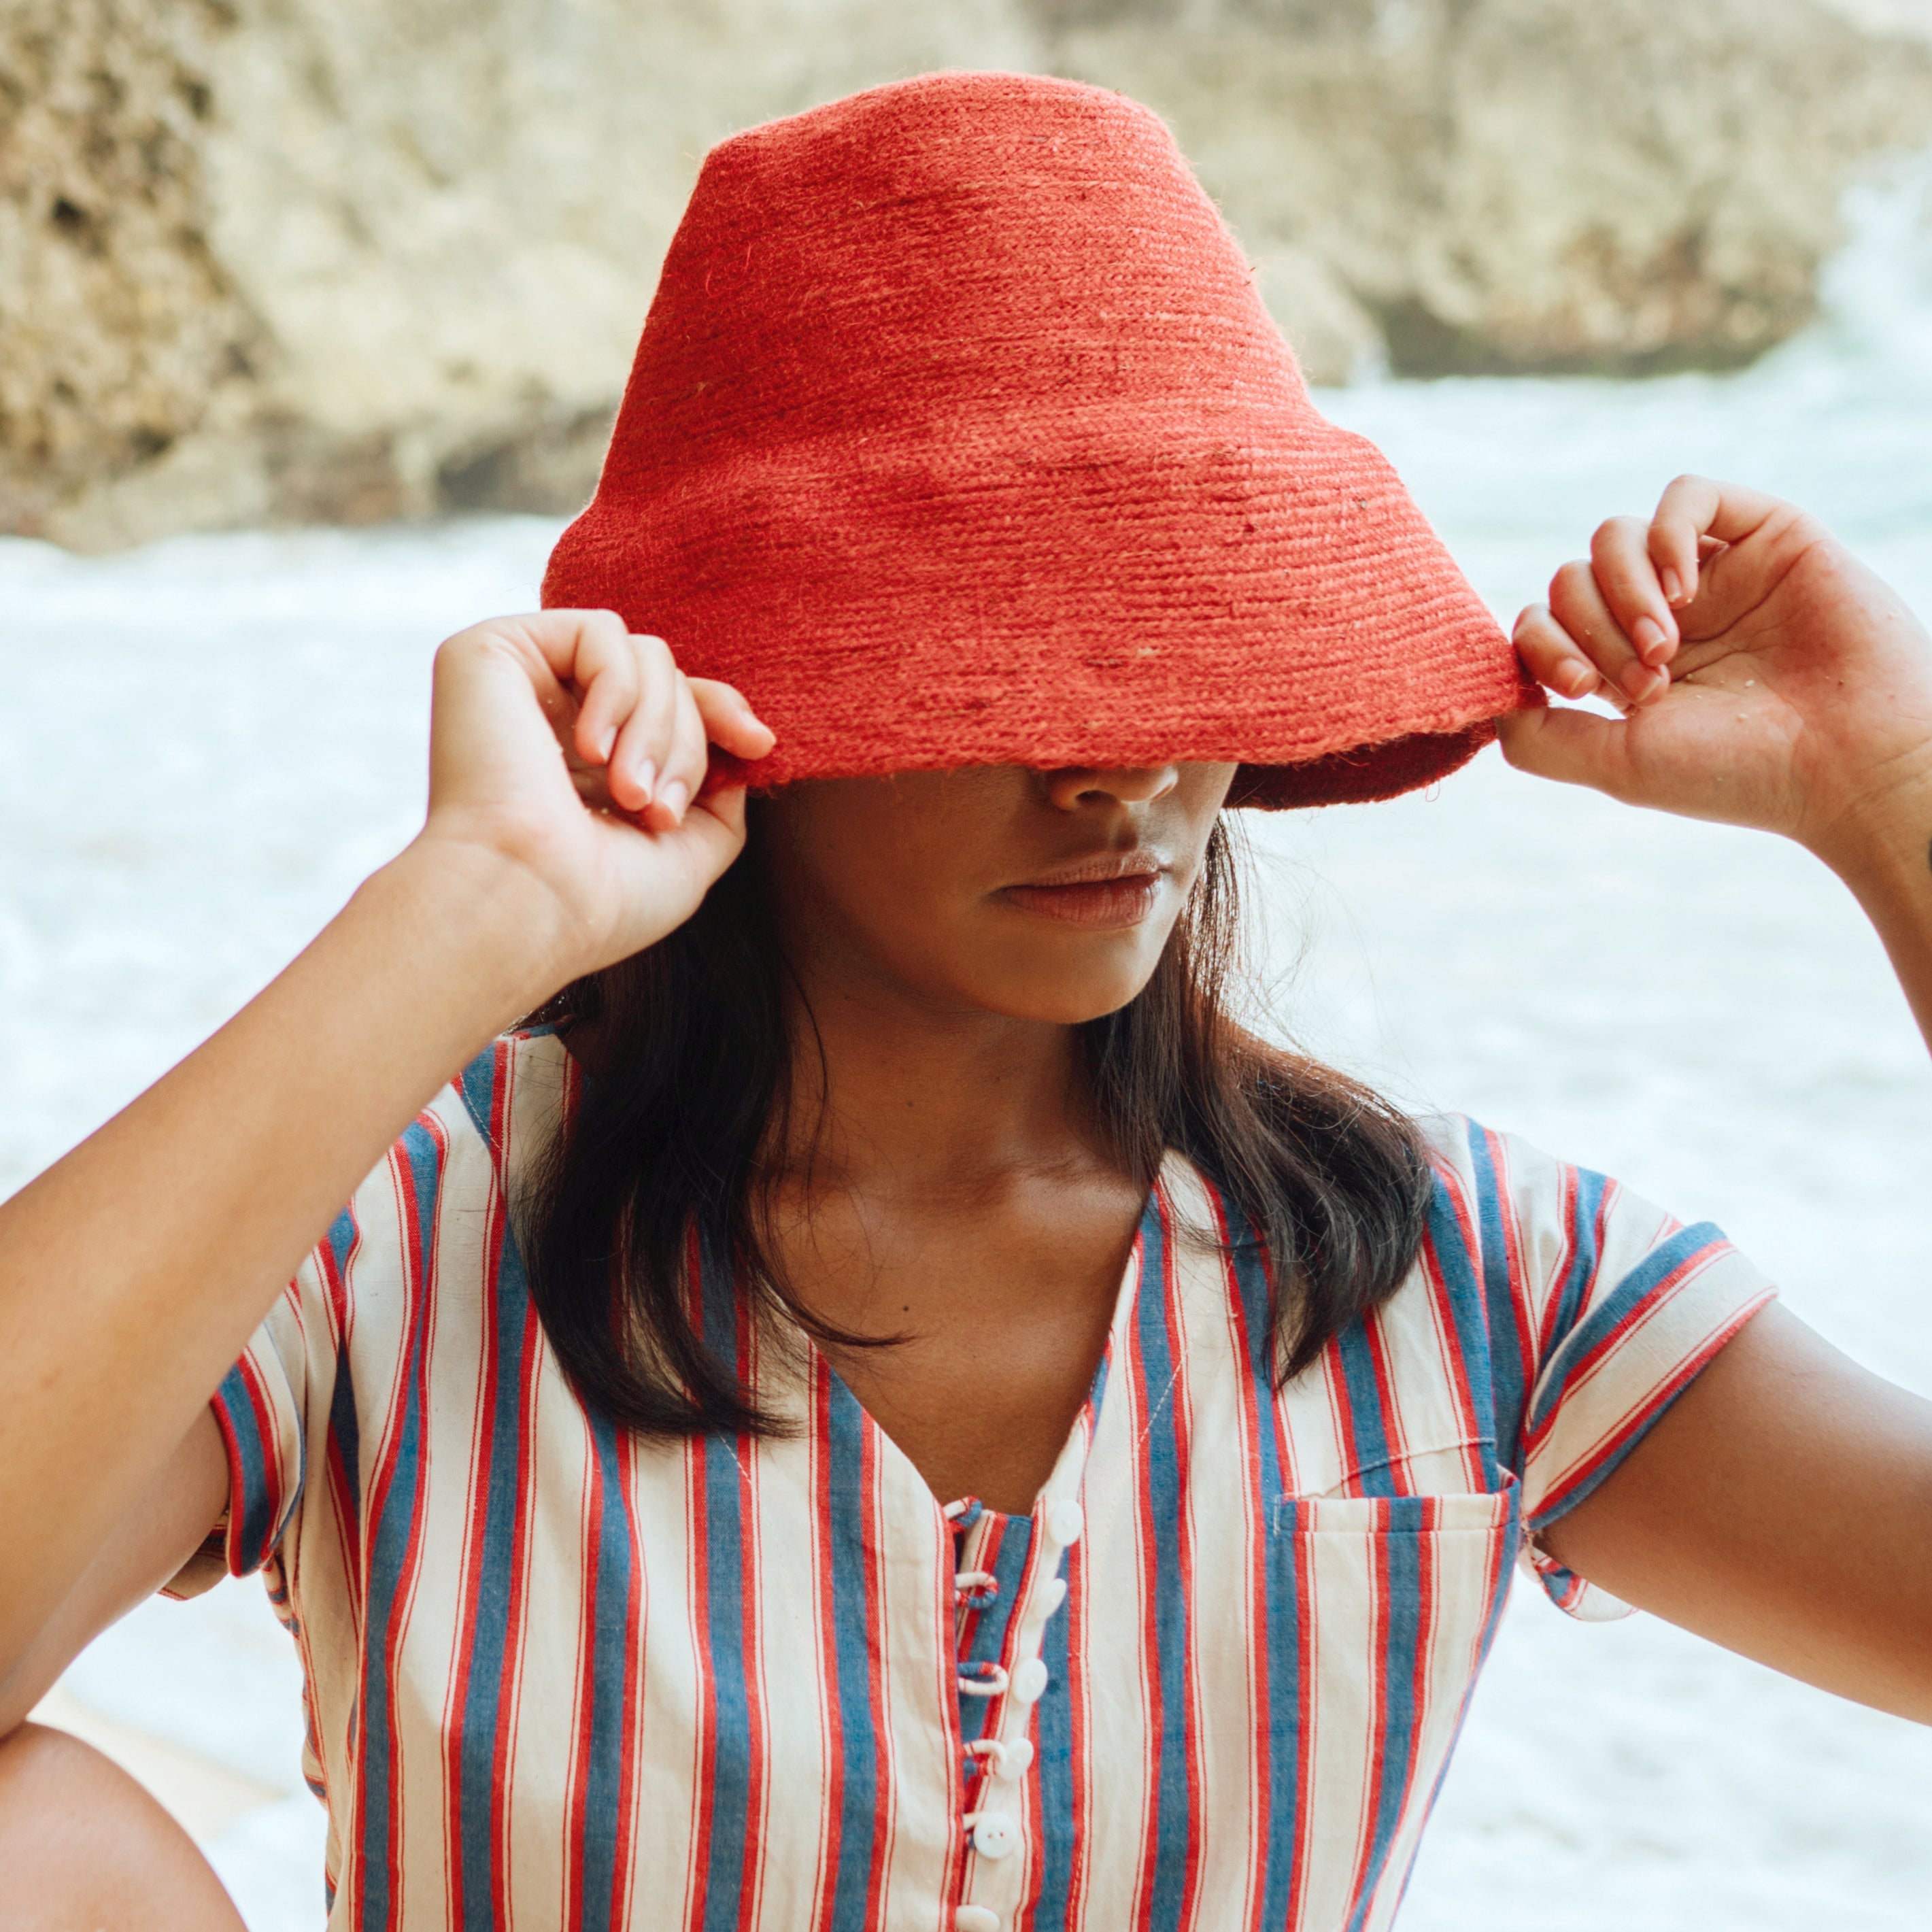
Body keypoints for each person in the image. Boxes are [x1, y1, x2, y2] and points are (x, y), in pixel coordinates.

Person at [3, 69, 1931, 1932]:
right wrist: (475, 901)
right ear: (760, 689)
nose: (1115, 768)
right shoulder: (404, 1247)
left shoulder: (1471, 1278)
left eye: (1172, 640)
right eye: (997, 661)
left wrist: (1891, 797)